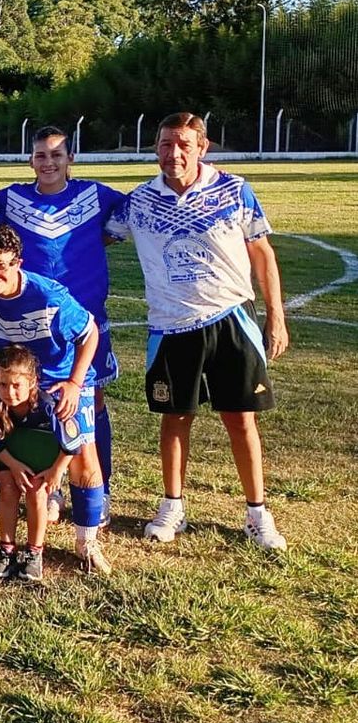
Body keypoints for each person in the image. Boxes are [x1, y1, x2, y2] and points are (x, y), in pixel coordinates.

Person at [106, 112, 289, 551]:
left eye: (185, 145)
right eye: (167, 144)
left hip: (231, 319)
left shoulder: (234, 189)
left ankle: (257, 514)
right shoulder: (138, 202)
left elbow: (262, 253)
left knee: (240, 419)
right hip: (170, 326)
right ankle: (173, 507)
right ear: (156, 148)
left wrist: (275, 315)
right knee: (175, 417)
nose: (175, 154)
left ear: (202, 148)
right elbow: (90, 240)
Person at [0, 223, 111, 574]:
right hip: (2, 377)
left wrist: (74, 382)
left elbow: (89, 334)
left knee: (83, 453)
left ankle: (87, 539)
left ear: (18, 262)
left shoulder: (49, 296)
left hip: (57, 379)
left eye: (2, 266)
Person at [0, 126, 125, 524]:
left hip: (85, 323)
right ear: (30, 160)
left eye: (56, 155)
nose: (48, 162)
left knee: (91, 404)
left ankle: (99, 491)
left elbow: (126, 225)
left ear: (70, 159)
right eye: (40, 156)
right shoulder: (10, 200)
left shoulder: (96, 196)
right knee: (36, 405)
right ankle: (50, 488)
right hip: (31, 325)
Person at [0, 347, 84, 583]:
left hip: (45, 463)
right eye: (2, 384)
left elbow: (74, 442)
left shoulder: (48, 406)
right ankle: (7, 550)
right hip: (13, 459)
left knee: (36, 493)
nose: (10, 392)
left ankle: (35, 553)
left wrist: (57, 470)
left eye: (16, 385)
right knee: (6, 487)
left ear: (32, 382)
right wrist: (13, 466)